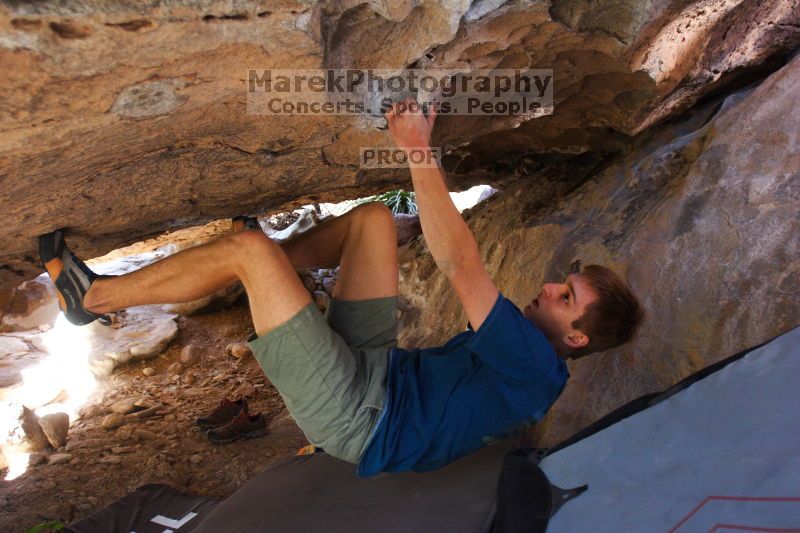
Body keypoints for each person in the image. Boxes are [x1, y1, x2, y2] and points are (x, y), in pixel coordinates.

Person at [38, 101, 643, 477]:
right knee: (374, 222)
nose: (547, 287)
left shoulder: (533, 361)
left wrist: (418, 151)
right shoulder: (539, 368)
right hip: (379, 373)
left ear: (578, 335)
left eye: (565, 296)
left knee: (248, 255)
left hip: (359, 416)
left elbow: (460, 264)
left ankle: (92, 300)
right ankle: (277, 265)